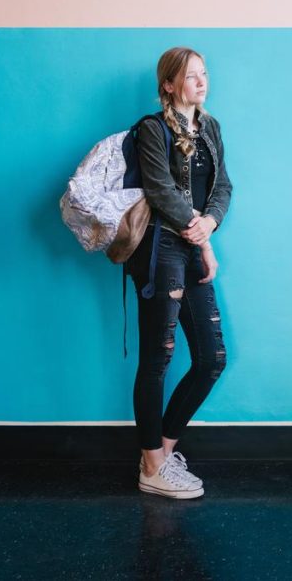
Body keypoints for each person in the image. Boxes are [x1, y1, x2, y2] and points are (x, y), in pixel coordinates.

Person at [126, 46, 232, 499]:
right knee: (158, 358)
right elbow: (161, 190)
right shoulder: (152, 129)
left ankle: (162, 455)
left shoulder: (210, 127)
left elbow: (223, 185)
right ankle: (151, 464)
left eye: (204, 73)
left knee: (211, 359)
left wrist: (211, 222)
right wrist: (204, 240)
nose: (201, 81)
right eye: (191, 76)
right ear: (169, 84)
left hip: (189, 245)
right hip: (158, 250)